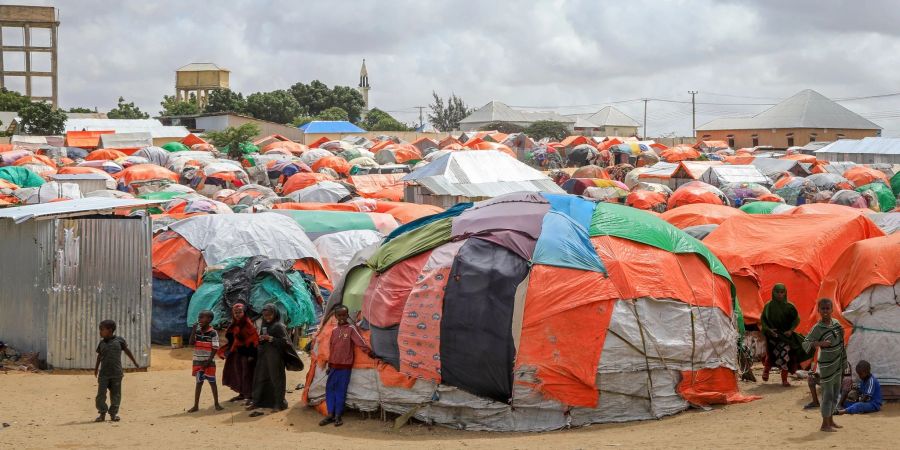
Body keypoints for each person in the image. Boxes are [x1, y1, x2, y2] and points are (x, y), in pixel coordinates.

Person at [319, 305, 375, 427]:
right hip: (333, 366)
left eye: (344, 315)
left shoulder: (351, 329)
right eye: (339, 315)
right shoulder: (334, 331)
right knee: (330, 389)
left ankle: (338, 415)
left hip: (345, 366)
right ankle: (330, 414)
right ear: (335, 316)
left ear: (347, 315)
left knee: (340, 390)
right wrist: (329, 365)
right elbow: (332, 348)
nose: (342, 317)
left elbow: (360, 342)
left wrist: (370, 353)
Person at [248, 304, 301, 416]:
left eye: (269, 315)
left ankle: (278, 404)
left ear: (275, 314)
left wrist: (271, 338)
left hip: (275, 358)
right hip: (263, 357)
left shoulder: (278, 326)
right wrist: (261, 339)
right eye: (265, 315)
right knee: (259, 378)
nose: (267, 317)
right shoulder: (264, 326)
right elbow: (261, 341)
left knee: (276, 379)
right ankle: (257, 402)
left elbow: (285, 342)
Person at [803, 298, 846, 432]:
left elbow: (841, 342)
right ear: (819, 310)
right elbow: (806, 343)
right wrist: (821, 344)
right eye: (823, 309)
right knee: (827, 393)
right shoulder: (817, 328)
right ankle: (824, 424)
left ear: (832, 310)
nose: (826, 311)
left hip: (837, 363)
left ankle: (831, 420)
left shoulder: (837, 324)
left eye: (828, 308)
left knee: (835, 393)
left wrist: (843, 361)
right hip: (827, 365)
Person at [760, 284, 807, 386]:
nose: (779, 295)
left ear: (785, 293)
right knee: (771, 354)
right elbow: (763, 319)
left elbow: (796, 319)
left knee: (785, 356)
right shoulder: (768, 306)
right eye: (777, 292)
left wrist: (791, 330)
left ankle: (784, 380)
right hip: (772, 335)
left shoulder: (789, 306)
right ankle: (766, 371)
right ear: (773, 292)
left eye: (782, 292)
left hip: (785, 336)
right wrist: (768, 330)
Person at [94, 319, 139, 422]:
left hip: (116, 374)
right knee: (101, 395)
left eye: (102, 329)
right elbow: (99, 357)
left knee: (116, 395)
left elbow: (127, 351)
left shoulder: (120, 341)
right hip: (104, 374)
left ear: (110, 330)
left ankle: (113, 414)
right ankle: (102, 413)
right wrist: (96, 369)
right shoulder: (101, 344)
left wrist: (135, 362)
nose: (100, 332)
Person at [220, 303, 259, 405]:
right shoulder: (234, 324)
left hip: (246, 353)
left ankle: (249, 394)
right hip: (236, 353)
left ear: (244, 312)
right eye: (235, 312)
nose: (237, 314)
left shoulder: (248, 324)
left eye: (240, 312)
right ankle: (241, 393)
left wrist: (251, 355)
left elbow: (254, 339)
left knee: (247, 373)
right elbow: (231, 338)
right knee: (237, 372)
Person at [188, 310, 223, 412]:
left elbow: (215, 347)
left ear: (210, 320)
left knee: (212, 382)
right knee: (199, 383)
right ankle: (195, 405)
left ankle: (216, 403)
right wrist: (194, 330)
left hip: (209, 363)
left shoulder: (213, 332)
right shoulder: (197, 332)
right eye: (199, 317)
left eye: (202, 317)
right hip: (198, 362)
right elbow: (191, 343)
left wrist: (209, 360)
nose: (199, 319)